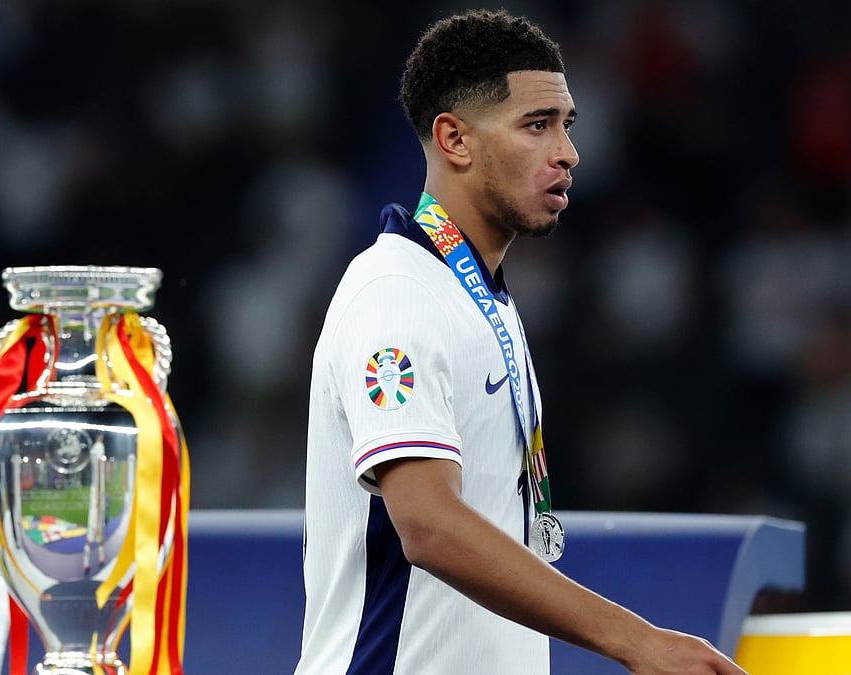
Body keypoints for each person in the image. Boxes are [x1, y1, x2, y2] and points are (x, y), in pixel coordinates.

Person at [294, 9, 747, 675]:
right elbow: (430, 525)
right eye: (538, 125)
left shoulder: (485, 298)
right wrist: (637, 640)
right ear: (455, 139)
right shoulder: (396, 293)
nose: (568, 152)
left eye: (567, 125)